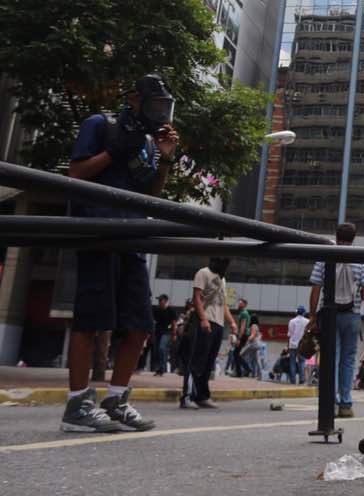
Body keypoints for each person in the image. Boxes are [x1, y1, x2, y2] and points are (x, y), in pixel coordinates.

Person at [61, 74, 179, 433]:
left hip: (133, 237)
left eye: (165, 107)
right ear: (134, 100)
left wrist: (164, 159)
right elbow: (76, 173)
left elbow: (151, 195)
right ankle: (78, 404)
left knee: (140, 325)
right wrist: (114, 151)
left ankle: (117, 400)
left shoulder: (146, 141)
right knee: (90, 322)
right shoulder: (100, 124)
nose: (160, 113)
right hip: (98, 231)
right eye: (155, 105)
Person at [307, 222, 364, 419]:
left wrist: (312, 315)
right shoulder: (360, 260)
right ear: (354, 238)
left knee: (331, 358)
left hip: (329, 314)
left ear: (336, 236)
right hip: (352, 315)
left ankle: (331, 402)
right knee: (348, 360)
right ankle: (345, 404)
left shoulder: (325, 257)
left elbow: (316, 288)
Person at [181, 258, 237, 409]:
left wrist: (231, 322)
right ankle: (187, 397)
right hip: (205, 321)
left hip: (218, 324)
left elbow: (223, 304)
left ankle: (202, 396)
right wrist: (203, 319)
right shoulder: (203, 273)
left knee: (208, 363)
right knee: (197, 361)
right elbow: (197, 297)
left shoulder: (222, 279)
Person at [151, 294, 177, 376]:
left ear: (165, 301)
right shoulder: (156, 310)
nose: (159, 302)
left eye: (160, 300)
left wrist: (174, 334)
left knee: (161, 348)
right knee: (158, 351)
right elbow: (153, 322)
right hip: (158, 333)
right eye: (158, 300)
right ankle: (161, 369)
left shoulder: (171, 310)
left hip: (167, 333)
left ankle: (162, 369)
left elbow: (174, 323)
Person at [286, 306, 309, 385]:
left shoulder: (292, 321)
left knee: (292, 362)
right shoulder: (307, 321)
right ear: (304, 313)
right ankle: (302, 379)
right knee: (302, 362)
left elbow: (289, 335)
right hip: (302, 345)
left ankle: (293, 380)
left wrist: (288, 345)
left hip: (293, 344)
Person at [231, 298, 252, 377]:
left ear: (245, 305)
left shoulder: (244, 313)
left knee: (236, 353)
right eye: (238, 303)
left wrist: (239, 338)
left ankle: (243, 371)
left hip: (243, 335)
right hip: (243, 335)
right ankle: (245, 370)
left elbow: (243, 326)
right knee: (236, 354)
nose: (238, 304)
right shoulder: (243, 313)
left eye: (240, 303)